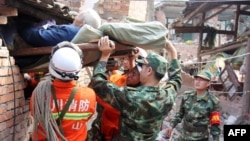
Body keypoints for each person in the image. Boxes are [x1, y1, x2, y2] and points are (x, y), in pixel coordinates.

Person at [89, 36, 182, 140]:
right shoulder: (168, 95)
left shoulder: (130, 96)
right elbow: (176, 78)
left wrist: (105, 55)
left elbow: (97, 83)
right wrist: (172, 51)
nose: (140, 70)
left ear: (149, 71)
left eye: (142, 67)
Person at [30, 41, 96, 141]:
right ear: (79, 67)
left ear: (51, 65)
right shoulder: (89, 95)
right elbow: (88, 117)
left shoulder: (38, 95)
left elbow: (35, 115)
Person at [166, 70, 221, 141]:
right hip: (184, 136)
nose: (197, 82)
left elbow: (215, 124)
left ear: (208, 83)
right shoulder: (186, 96)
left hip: (200, 138)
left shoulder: (213, 102)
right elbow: (180, 114)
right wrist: (172, 126)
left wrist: (216, 139)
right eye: (196, 79)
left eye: (201, 80)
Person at [19, 9, 101, 47]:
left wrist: (26, 27)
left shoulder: (70, 32)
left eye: (79, 16)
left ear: (82, 25)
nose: (75, 17)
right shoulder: (78, 34)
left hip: (30, 43)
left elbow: (40, 37)